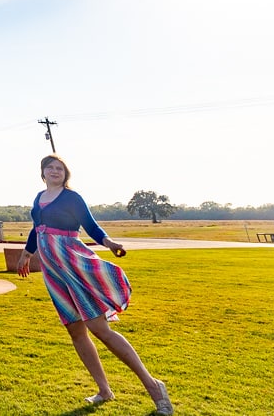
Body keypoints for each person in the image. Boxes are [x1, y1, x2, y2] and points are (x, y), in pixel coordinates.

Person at [17, 154, 175, 414]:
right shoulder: (38, 197)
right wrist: (26, 253)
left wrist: (109, 243)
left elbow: (91, 225)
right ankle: (104, 390)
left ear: (66, 174)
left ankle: (154, 386)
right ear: (42, 172)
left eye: (60, 168)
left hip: (73, 264)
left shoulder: (72, 197)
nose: (55, 171)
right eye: (50, 167)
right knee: (75, 330)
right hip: (53, 271)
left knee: (98, 328)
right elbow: (37, 228)